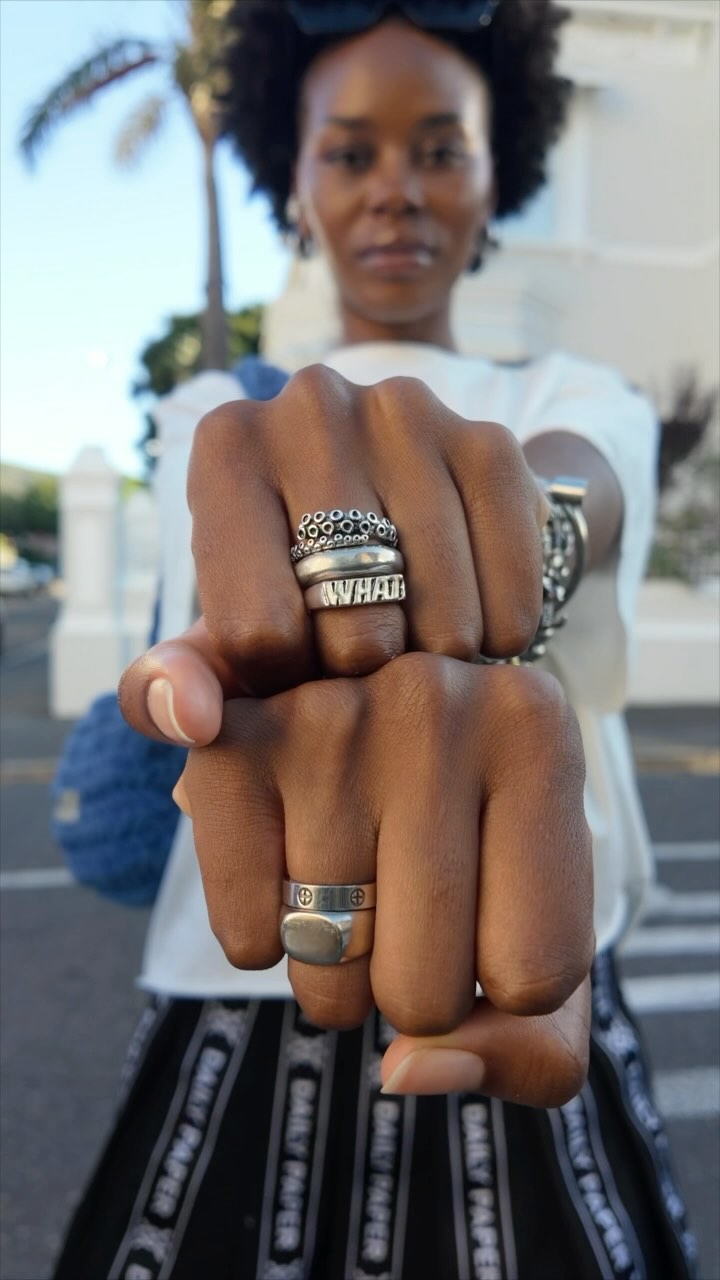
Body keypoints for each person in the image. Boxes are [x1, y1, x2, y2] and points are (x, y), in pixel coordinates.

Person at [51, 2, 697, 1277]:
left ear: (494, 174)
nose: (396, 189)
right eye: (349, 154)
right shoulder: (213, 418)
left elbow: (579, 485)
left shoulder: (572, 400)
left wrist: (525, 547)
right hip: (239, 1000)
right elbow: (207, 647)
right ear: (290, 185)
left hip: (531, 961)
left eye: (438, 150)